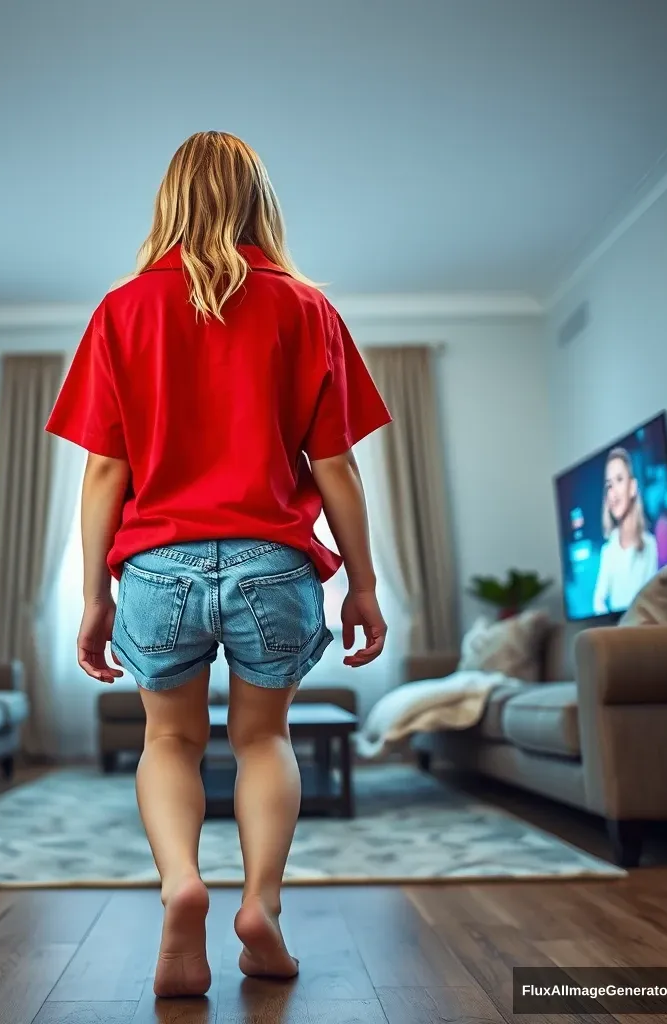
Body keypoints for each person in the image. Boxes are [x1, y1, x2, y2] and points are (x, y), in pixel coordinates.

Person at [45, 131, 391, 998]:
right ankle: (261, 907)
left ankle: (181, 886)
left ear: (170, 199)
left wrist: (94, 595)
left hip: (158, 566)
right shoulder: (308, 308)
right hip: (275, 562)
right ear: (258, 203)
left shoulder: (122, 309)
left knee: (169, 739)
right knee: (264, 737)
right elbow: (336, 467)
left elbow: (104, 474)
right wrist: (365, 583)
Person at [592, 446, 659, 615]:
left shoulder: (650, 545)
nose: (613, 493)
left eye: (619, 480)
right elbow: (598, 600)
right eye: (609, 486)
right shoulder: (607, 551)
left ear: (632, 487)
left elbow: (654, 602)